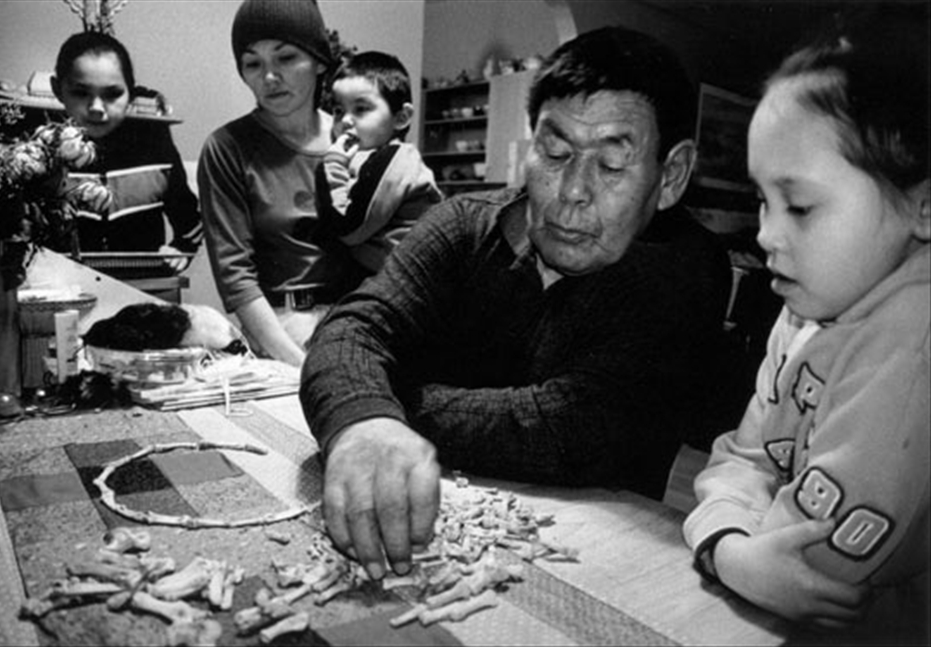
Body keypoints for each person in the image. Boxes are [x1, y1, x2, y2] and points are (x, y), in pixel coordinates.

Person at [301, 26, 740, 581]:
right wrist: (363, 422)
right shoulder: (461, 226)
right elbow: (352, 330)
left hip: (595, 569)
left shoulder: (688, 266)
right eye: (554, 152)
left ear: (670, 176)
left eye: (611, 166)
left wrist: (389, 403)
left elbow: (571, 428)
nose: (572, 191)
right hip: (431, 544)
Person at [682, 7, 929, 641]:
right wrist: (731, 545)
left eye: (799, 205)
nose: (765, 233)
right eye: (763, 200)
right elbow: (745, 455)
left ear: (923, 206)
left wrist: (728, 543)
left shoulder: (912, 338)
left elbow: (814, 566)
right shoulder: (802, 314)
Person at [198, 0, 363, 366]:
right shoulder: (227, 148)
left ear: (320, 60)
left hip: (361, 322)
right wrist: (298, 365)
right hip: (284, 330)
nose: (269, 77)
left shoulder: (353, 137)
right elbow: (236, 277)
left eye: (285, 58)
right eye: (253, 63)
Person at [51, 31, 202, 272]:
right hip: (62, 294)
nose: (97, 109)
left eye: (112, 94)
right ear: (58, 89)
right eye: (81, 93)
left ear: (131, 92)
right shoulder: (39, 150)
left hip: (144, 295)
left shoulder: (155, 142)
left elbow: (191, 220)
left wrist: (182, 247)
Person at [315, 51, 442, 274]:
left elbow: (347, 228)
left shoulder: (395, 158)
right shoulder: (370, 158)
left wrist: (331, 164)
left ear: (401, 117)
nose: (345, 121)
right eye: (338, 110)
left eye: (361, 109)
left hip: (404, 285)